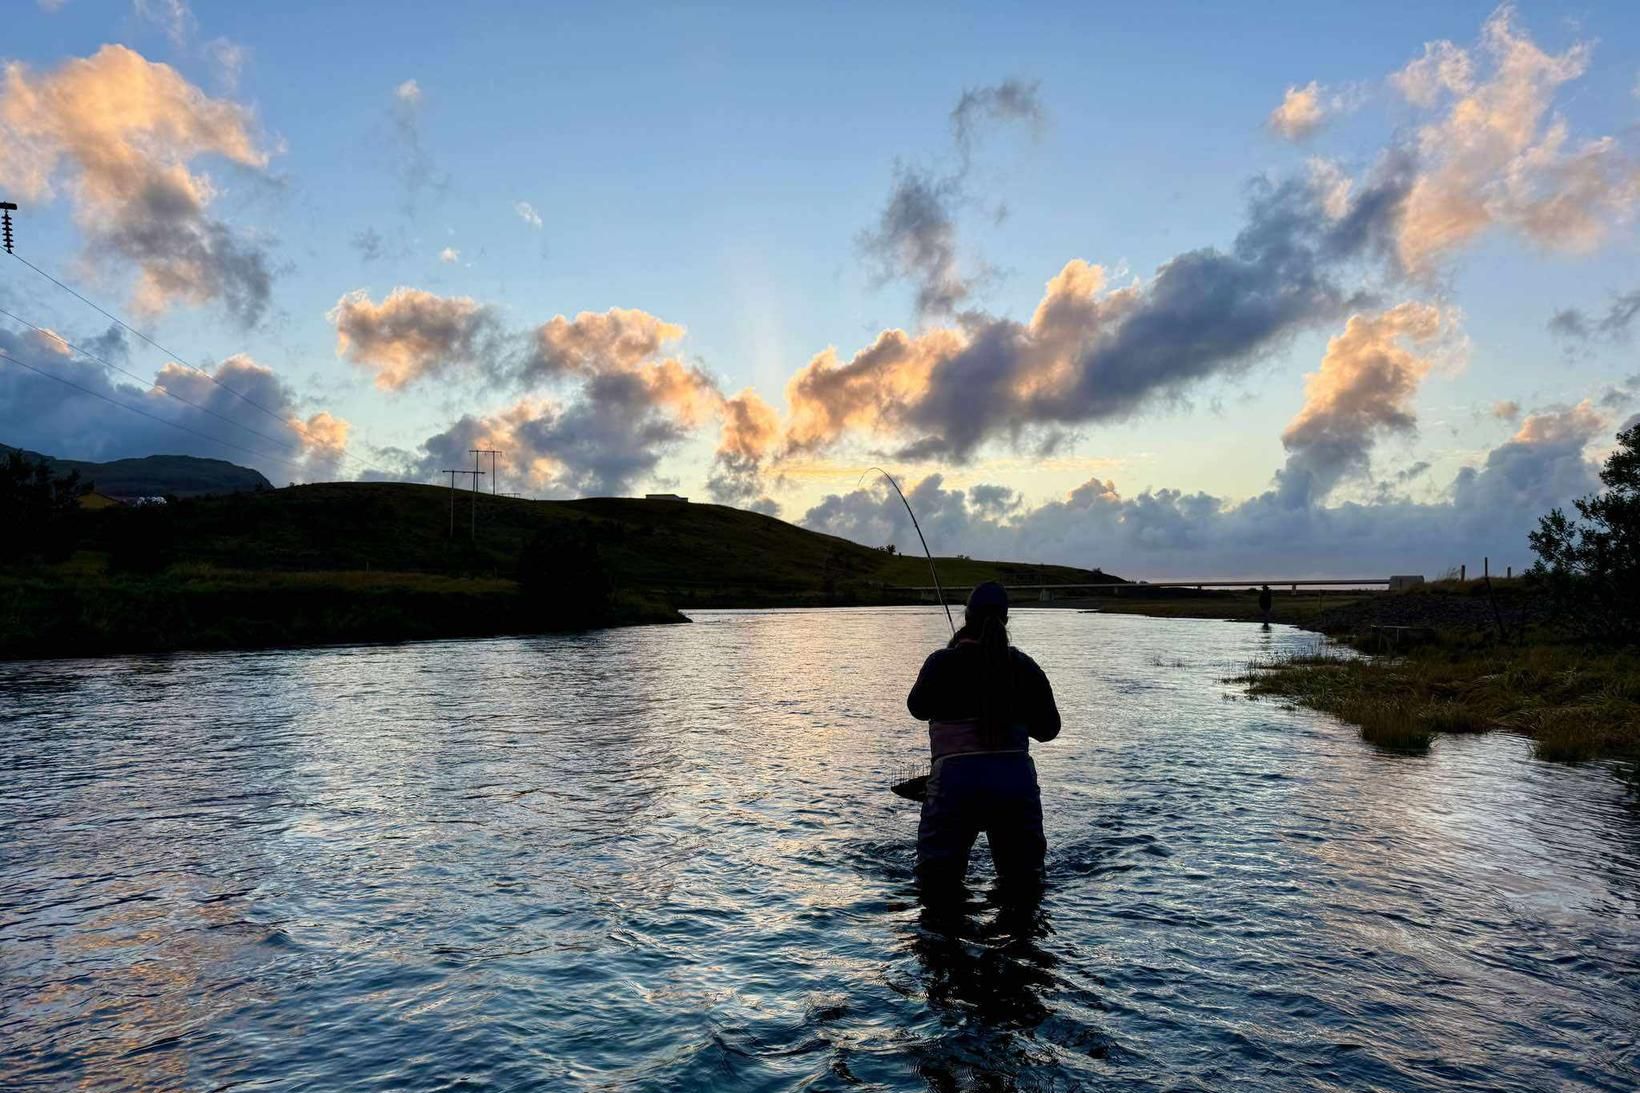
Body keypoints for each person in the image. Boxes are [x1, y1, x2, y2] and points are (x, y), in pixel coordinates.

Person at [906, 581, 1060, 895]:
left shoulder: (941, 663)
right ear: (1006, 620)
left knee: (936, 888)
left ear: (967, 617)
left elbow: (917, 709)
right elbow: (1049, 730)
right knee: (1024, 887)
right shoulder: (1025, 667)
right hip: (1014, 786)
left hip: (953, 786)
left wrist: (950, 656)